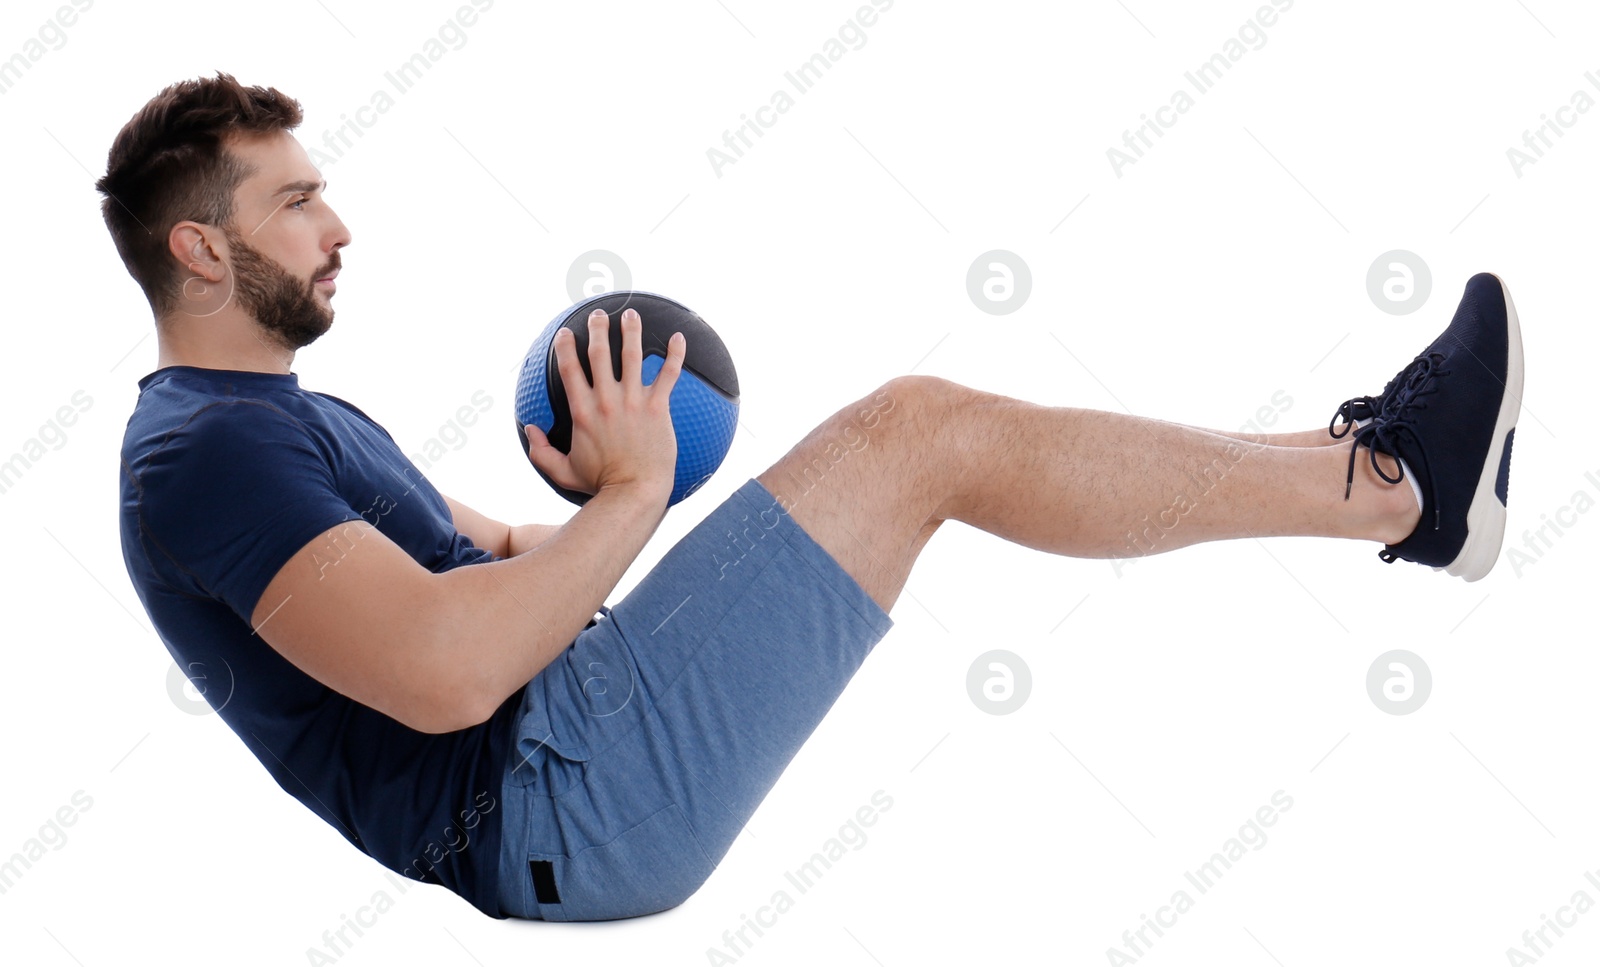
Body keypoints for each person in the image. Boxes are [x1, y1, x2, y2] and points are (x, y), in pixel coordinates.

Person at [103, 73, 1522, 923]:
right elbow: (449, 673)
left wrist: (612, 501)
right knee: (920, 435)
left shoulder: (277, 425)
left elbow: (503, 557)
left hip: (567, 750)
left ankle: (1383, 474)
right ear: (201, 252)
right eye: (294, 204)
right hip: (550, 796)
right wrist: (640, 494)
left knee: (919, 437)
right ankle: (1398, 493)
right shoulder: (203, 456)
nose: (338, 225)